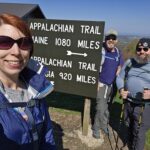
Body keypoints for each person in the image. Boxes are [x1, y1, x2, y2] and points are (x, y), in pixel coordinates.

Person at [0, 13, 56, 150]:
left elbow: (47, 138)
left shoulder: (36, 89)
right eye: (4, 42)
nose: (16, 51)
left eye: (24, 43)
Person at [116, 38, 150, 150]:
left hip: (144, 106)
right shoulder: (130, 62)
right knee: (127, 126)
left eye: (146, 49)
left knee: (139, 132)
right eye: (139, 49)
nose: (142, 51)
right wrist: (121, 89)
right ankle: (129, 145)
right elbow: (120, 77)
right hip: (128, 102)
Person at [92, 29, 124, 139]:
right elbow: (92, 67)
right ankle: (96, 128)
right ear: (105, 39)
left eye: (113, 38)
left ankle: (104, 125)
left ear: (116, 41)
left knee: (107, 108)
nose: (111, 40)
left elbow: (120, 66)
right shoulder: (100, 51)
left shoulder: (118, 52)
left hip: (112, 86)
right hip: (101, 84)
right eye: (108, 38)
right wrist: (96, 82)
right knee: (101, 107)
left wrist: (118, 74)